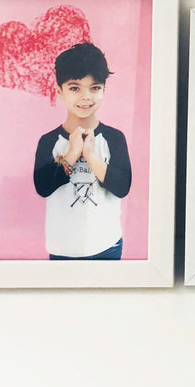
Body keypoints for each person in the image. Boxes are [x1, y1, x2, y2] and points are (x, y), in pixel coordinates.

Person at [33, 42, 131, 259]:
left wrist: (90, 156)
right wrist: (72, 154)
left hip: (107, 245)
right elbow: (43, 187)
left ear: (104, 90)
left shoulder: (115, 138)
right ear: (59, 91)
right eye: (75, 88)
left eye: (94, 88)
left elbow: (122, 187)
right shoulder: (48, 141)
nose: (86, 97)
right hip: (62, 249)